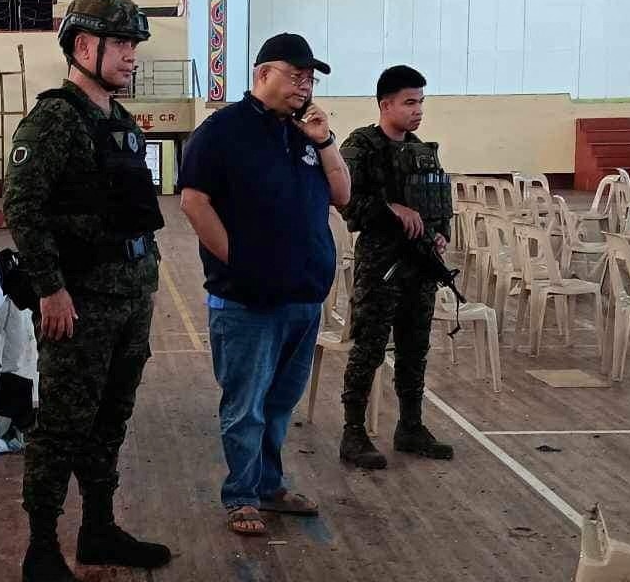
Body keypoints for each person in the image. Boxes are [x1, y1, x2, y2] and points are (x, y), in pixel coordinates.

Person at [3, 0, 173, 582]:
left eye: (133, 45)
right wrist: (50, 287)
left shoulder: (119, 122)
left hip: (128, 300)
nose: (132, 56)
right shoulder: (55, 120)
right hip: (78, 304)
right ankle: (41, 549)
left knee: (110, 420)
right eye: (122, 44)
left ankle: (98, 527)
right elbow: (23, 207)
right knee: (62, 427)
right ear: (83, 47)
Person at [178, 33, 351, 537]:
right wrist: (241, 262)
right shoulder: (222, 132)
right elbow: (193, 202)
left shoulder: (305, 135)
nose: (304, 86)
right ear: (262, 75)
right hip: (246, 300)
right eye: (295, 76)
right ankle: (241, 495)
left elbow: (342, 195)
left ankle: (270, 485)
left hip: (303, 297)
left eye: (310, 79)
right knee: (245, 404)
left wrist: (324, 140)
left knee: (279, 403)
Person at [337, 65, 457, 468]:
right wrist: (390, 208)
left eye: (421, 102)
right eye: (409, 102)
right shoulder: (361, 148)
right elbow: (347, 201)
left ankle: (410, 426)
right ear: (385, 104)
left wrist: (439, 234)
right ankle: (353, 432)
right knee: (369, 348)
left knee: (415, 348)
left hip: (419, 264)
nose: (417, 110)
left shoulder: (423, 152)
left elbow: (436, 204)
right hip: (381, 264)